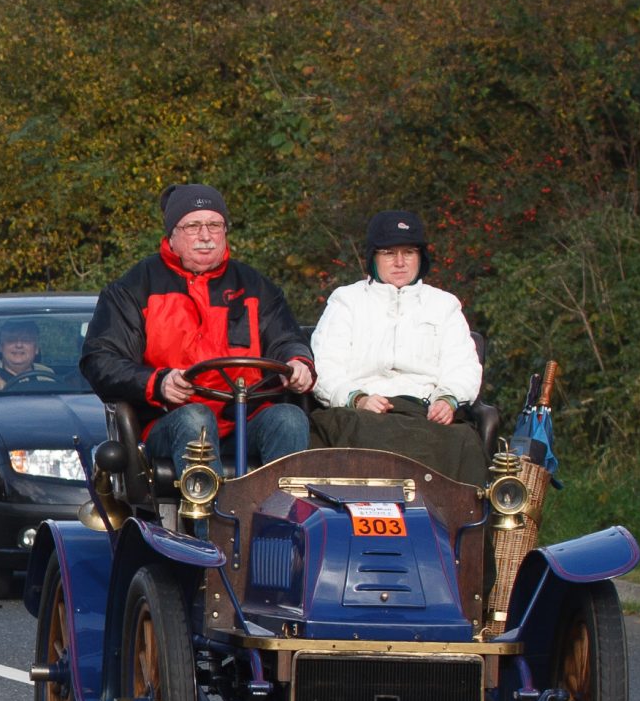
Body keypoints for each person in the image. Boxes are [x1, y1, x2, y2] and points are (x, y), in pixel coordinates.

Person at [80, 183, 316, 474]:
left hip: (245, 418)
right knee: (197, 420)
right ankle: (210, 518)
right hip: (172, 421)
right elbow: (100, 360)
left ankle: (280, 515)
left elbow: (285, 339)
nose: (206, 236)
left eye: (214, 225)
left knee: (290, 419)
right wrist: (158, 382)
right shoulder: (134, 288)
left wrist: (298, 361)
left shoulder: (256, 287)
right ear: (172, 235)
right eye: (193, 226)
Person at [307, 209, 488, 483]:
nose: (400, 262)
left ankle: (459, 526)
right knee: (350, 434)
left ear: (421, 258)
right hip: (361, 411)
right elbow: (324, 367)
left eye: (409, 252)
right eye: (389, 253)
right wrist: (357, 398)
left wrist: (448, 399)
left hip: (424, 411)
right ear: (373, 258)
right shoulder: (346, 301)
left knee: (463, 441)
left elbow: (463, 365)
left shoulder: (444, 305)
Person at [0, 318, 58, 392]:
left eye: (26, 340)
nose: (19, 345)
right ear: (1, 347)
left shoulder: (46, 374)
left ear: (36, 349)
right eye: (11, 340)